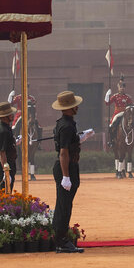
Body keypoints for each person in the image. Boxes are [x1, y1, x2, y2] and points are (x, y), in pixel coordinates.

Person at [51, 90, 94, 254]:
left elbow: (68, 145)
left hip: (67, 167)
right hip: (66, 168)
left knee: (64, 204)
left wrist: (81, 137)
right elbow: (63, 152)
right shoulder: (67, 126)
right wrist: (66, 176)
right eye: (74, 105)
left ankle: (59, 238)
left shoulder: (65, 123)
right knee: (64, 206)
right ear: (69, 107)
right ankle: (61, 242)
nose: (77, 107)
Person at [105, 75, 134, 148]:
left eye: (123, 87)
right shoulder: (115, 96)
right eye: (121, 87)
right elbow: (107, 103)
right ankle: (111, 141)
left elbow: (131, 105)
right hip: (117, 113)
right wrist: (107, 95)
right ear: (118, 88)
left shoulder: (127, 97)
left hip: (126, 113)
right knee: (111, 125)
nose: (122, 88)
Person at [0, 102, 18, 192]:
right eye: (10, 114)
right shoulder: (3, 131)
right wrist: (6, 170)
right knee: (5, 192)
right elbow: (2, 152)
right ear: (5, 116)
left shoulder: (6, 128)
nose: (12, 115)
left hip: (10, 163)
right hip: (6, 164)